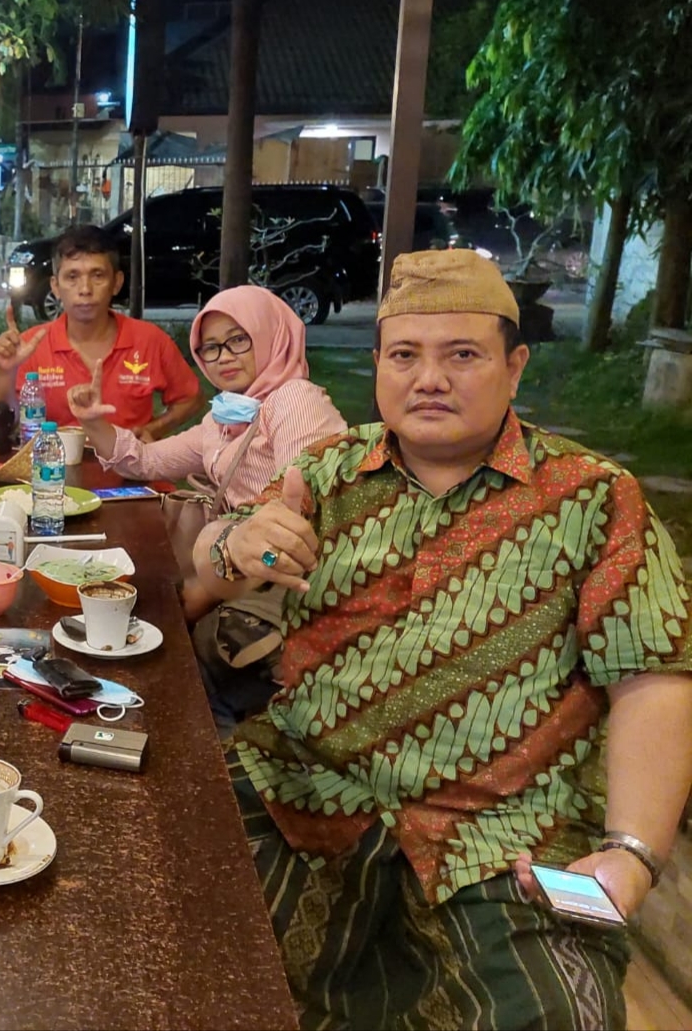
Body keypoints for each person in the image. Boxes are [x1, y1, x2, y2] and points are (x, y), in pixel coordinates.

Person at [194, 249, 692, 1030]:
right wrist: (233, 541)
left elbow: (653, 675)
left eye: (461, 355)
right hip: (301, 789)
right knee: (158, 923)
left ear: (514, 367)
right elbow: (216, 550)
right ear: (377, 365)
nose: (429, 378)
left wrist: (630, 853)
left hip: (502, 834)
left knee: (554, 1014)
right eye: (404, 355)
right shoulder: (325, 473)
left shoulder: (594, 498)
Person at [67, 285, 347, 723]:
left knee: (179, 644)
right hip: (232, 562)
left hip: (294, 580)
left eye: (238, 340)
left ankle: (214, 744)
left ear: (270, 334)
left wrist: (209, 589)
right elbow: (145, 460)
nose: (223, 357)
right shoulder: (224, 418)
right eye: (210, 347)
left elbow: (303, 513)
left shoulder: (294, 399)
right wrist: (93, 423)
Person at [0, 224, 202, 440]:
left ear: (116, 283)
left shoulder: (149, 340)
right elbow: (6, 421)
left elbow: (191, 399)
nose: (85, 289)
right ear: (55, 286)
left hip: (132, 461)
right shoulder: (31, 346)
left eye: (97, 275)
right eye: (72, 277)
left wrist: (152, 430)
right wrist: (6, 372)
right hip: (54, 461)